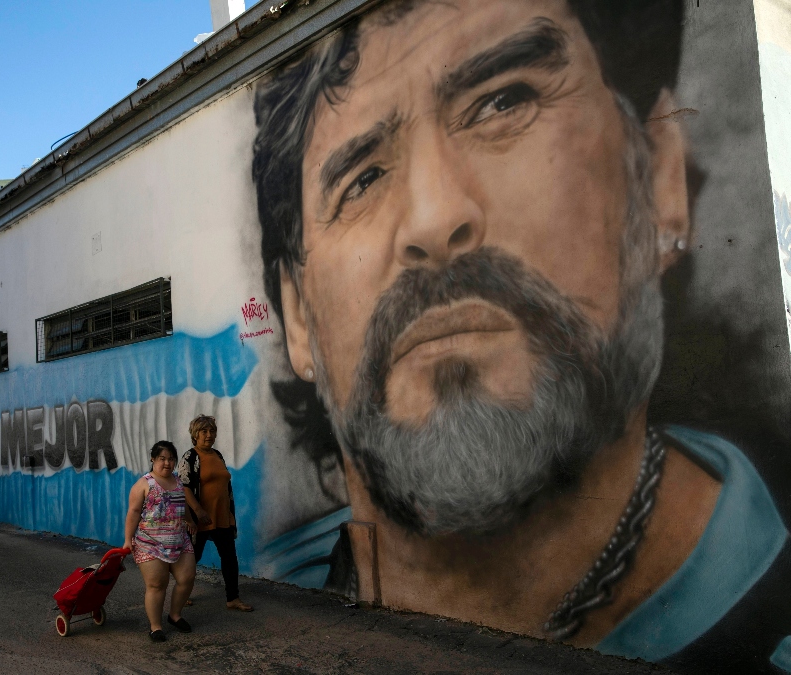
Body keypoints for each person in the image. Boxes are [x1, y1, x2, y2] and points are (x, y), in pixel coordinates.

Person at [251, 0, 791, 672]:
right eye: (361, 177)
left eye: (504, 102)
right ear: (298, 315)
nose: (432, 216)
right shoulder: (262, 592)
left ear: (657, 180)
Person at [179, 415, 253, 611]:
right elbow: (184, 487)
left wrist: (230, 515)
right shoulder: (190, 457)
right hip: (200, 518)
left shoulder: (218, 455)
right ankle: (182, 593)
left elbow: (225, 487)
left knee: (229, 558)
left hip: (222, 516)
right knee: (192, 557)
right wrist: (198, 510)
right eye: (204, 431)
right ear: (195, 434)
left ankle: (233, 598)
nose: (209, 435)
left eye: (212, 431)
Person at [124, 440, 197, 641]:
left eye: (171, 459)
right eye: (162, 459)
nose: (167, 463)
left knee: (187, 578)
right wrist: (127, 539)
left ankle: (175, 615)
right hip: (150, 543)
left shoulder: (178, 481)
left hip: (179, 539)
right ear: (153, 460)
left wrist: (190, 520)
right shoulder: (144, 484)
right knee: (157, 585)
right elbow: (134, 512)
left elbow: (183, 503)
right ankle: (155, 627)